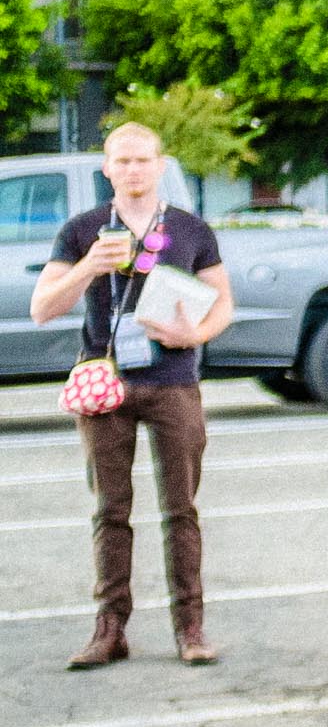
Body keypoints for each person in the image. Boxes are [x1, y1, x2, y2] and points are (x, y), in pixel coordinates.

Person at [31, 122, 234, 667]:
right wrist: (89, 267)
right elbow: (42, 307)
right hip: (105, 383)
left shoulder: (191, 230)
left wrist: (196, 335)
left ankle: (190, 629)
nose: (133, 170)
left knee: (180, 510)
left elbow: (223, 304)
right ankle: (109, 629)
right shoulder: (83, 231)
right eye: (122, 161)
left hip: (173, 382)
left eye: (142, 160)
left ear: (161, 165)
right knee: (111, 510)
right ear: (107, 168)